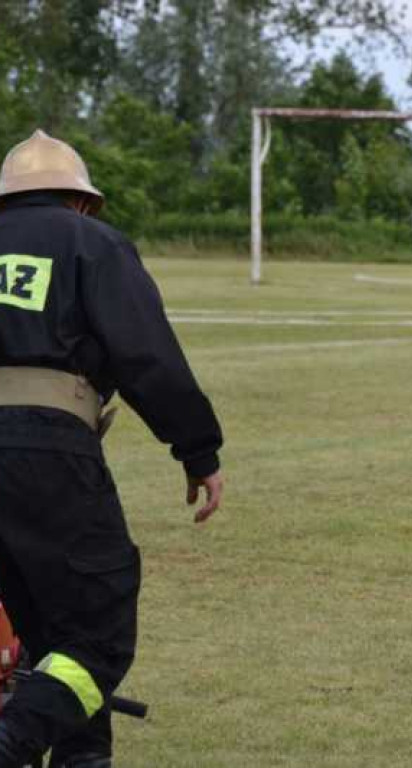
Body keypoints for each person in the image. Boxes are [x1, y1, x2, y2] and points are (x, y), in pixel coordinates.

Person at [0, 130, 225, 768]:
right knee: (96, 635)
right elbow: (145, 355)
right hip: (46, 450)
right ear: (80, 202)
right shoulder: (90, 243)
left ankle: (82, 757)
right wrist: (198, 449)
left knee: (44, 636)